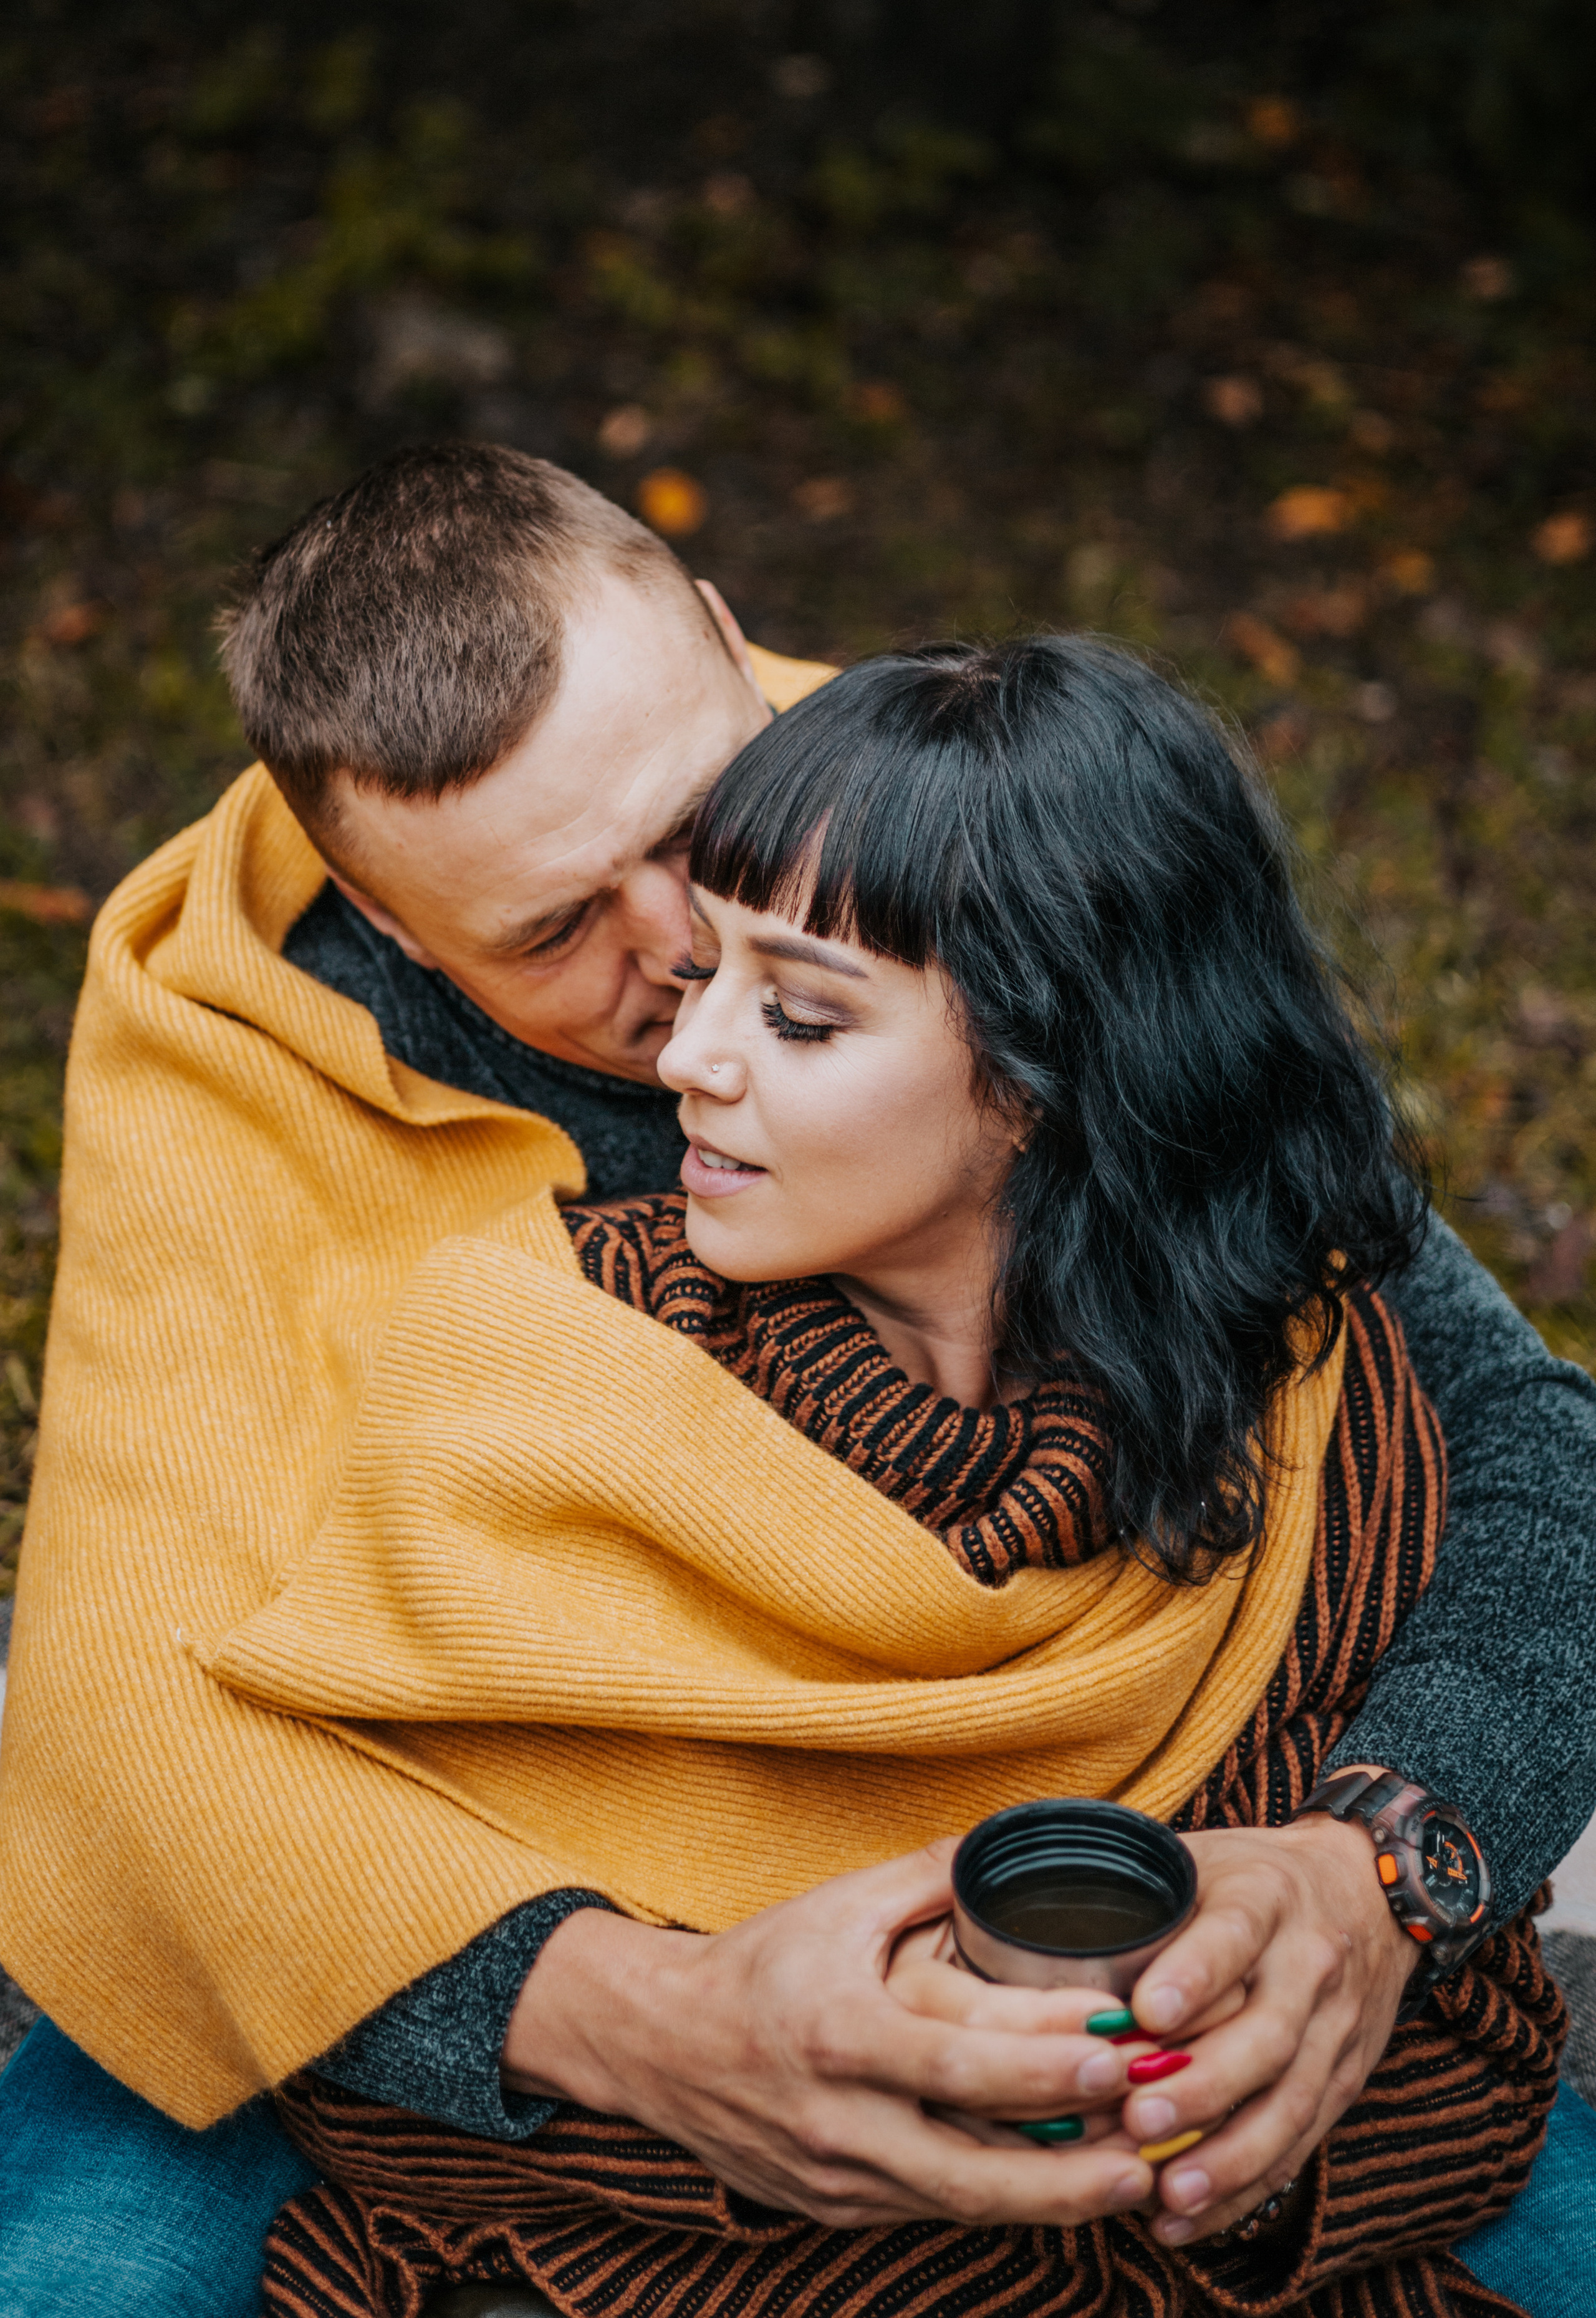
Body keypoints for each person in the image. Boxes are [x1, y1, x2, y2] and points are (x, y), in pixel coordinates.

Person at [0, 446, 1592, 2318]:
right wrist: (635, 2016)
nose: (683, 966)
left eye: (697, 821)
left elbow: (1518, 1443)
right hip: (459, 1914)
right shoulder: (228, 1049)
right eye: (551, 933)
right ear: (399, 931)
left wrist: (1373, 1871)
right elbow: (130, 1716)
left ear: (735, 649)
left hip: (1073, 1890)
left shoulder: (960, 822)